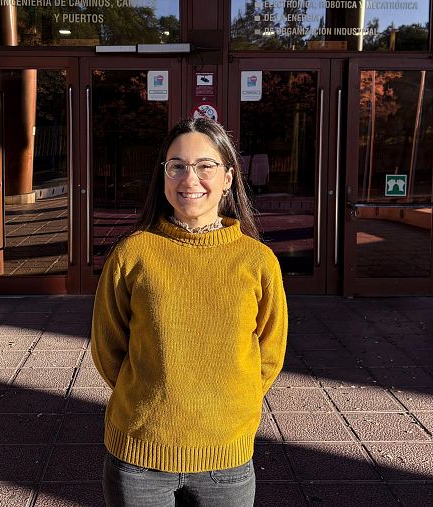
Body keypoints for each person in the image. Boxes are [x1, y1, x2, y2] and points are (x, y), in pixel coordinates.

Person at [90, 117, 288, 506]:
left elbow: (270, 353)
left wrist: (229, 406)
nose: (189, 178)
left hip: (225, 458)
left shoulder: (257, 261)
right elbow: (107, 348)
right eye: (177, 166)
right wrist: (154, 397)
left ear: (228, 178)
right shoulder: (132, 254)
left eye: (205, 166)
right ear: (164, 176)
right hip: (140, 456)